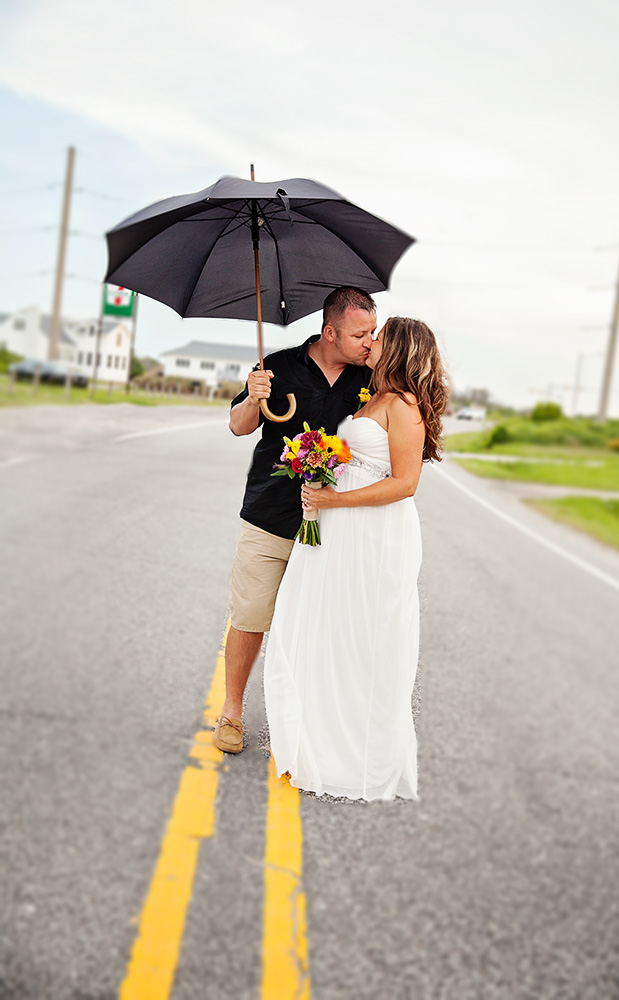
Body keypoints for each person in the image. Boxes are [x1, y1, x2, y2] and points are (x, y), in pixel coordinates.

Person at [263, 317, 448, 801]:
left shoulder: (404, 405)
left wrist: (332, 500)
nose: (371, 341)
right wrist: (317, 463)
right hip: (342, 531)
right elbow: (363, 461)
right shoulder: (378, 397)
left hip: (374, 536)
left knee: (361, 636)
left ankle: (350, 752)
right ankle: (319, 736)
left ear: (398, 348)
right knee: (326, 627)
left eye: (379, 336)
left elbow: (405, 484)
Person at [214, 287, 378, 753]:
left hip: (335, 524)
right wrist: (253, 397)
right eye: (359, 333)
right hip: (270, 514)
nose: (369, 341)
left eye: (371, 332)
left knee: (320, 625)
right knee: (250, 615)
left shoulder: (371, 376)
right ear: (330, 332)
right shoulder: (278, 366)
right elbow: (239, 425)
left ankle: (309, 721)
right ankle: (231, 712)